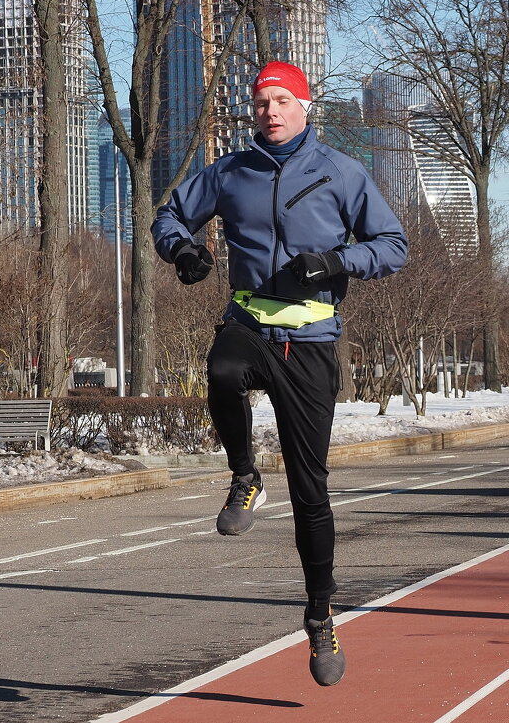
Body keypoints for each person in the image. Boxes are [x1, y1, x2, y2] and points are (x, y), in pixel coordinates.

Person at [152, 60, 408, 686]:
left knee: (310, 492)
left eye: (281, 100)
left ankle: (320, 617)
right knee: (221, 372)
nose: (268, 110)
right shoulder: (231, 172)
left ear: (305, 105)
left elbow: (393, 245)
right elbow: (169, 215)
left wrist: (334, 261)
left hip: (312, 339)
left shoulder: (342, 172)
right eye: (260, 100)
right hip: (247, 321)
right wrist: (183, 249)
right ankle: (243, 476)